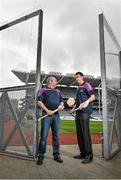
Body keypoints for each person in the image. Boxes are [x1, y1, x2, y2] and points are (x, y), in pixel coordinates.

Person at [36, 76, 64, 165]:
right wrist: (47, 111)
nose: (56, 82)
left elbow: (62, 103)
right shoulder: (43, 90)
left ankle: (56, 155)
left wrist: (61, 106)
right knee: (43, 137)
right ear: (50, 81)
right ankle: (41, 156)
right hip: (46, 115)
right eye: (55, 81)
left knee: (56, 137)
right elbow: (39, 102)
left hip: (56, 116)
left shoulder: (58, 91)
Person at [71, 72, 95, 164]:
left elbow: (93, 96)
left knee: (85, 133)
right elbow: (78, 102)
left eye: (78, 77)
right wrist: (74, 108)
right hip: (78, 112)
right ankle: (83, 153)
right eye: (75, 77)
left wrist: (86, 102)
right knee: (79, 133)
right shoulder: (78, 88)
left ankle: (89, 155)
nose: (76, 78)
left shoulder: (87, 85)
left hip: (85, 112)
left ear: (82, 77)